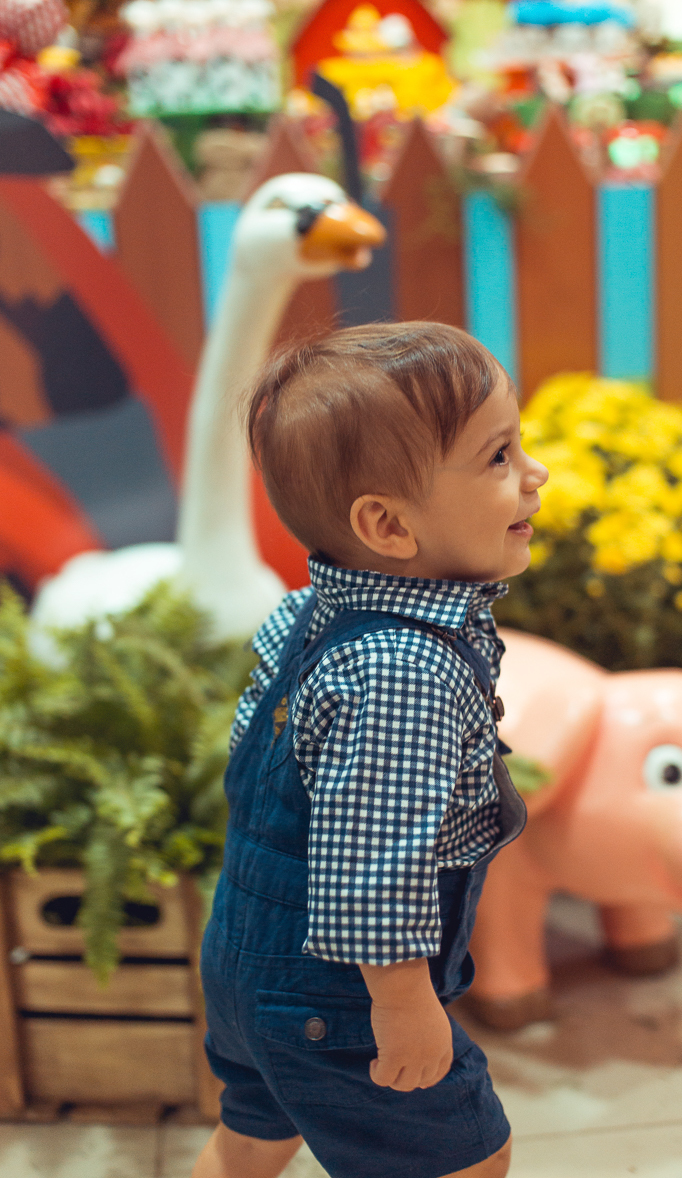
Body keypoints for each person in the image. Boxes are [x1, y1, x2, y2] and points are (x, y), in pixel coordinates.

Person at [192, 322, 549, 1178]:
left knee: (253, 1137)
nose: (535, 475)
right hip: (337, 994)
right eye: (498, 458)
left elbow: (265, 774)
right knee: (467, 1159)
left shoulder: (309, 616)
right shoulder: (400, 671)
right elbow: (371, 861)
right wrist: (401, 1002)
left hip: (248, 955)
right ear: (387, 525)